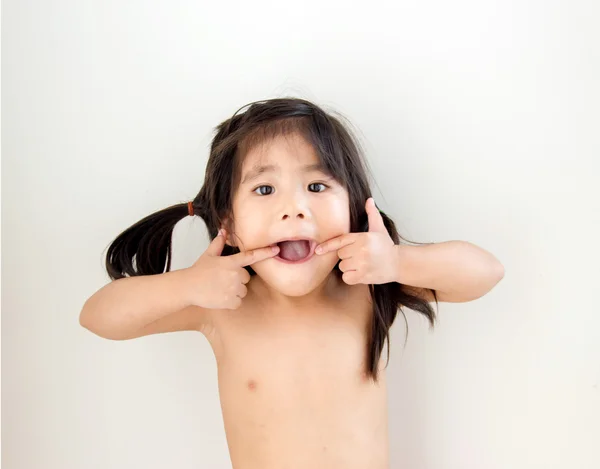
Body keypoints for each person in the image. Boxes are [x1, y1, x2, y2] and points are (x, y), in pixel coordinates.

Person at [79, 97, 504, 469]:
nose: (294, 209)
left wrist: (396, 260)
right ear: (226, 220)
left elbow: (485, 273)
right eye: (265, 189)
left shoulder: (364, 285)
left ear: (354, 208)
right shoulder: (222, 304)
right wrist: (187, 284)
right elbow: (99, 316)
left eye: (317, 186)